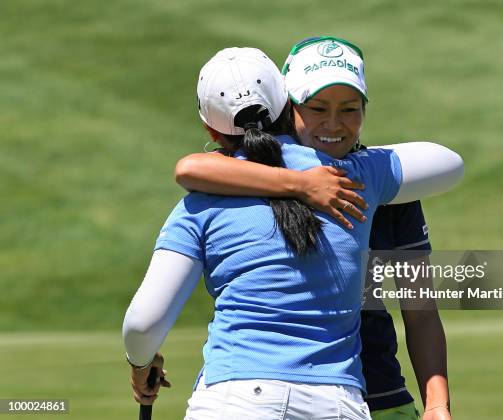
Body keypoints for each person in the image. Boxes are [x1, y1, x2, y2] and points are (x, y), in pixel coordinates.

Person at [123, 46, 462, 419]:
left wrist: (141, 363)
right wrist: (303, 179)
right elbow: (449, 164)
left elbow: (144, 323)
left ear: (210, 129)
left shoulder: (199, 202)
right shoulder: (360, 178)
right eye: (318, 108)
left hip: (232, 399)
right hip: (337, 400)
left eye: (348, 108)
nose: (333, 122)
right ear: (287, 107)